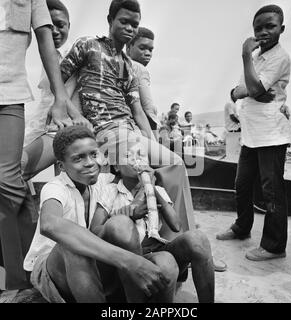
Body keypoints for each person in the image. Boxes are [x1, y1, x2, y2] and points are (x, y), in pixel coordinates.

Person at [60, 0, 196, 238]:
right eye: (124, 21)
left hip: (129, 131)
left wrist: (154, 141)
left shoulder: (129, 66)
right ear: (110, 20)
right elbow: (58, 83)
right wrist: (76, 116)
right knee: (146, 170)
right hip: (105, 129)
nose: (130, 28)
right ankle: (175, 238)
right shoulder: (87, 46)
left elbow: (138, 110)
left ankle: (180, 237)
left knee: (175, 163)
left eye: (135, 24)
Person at [23, 126, 179, 303]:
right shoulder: (55, 188)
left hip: (91, 262)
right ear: (62, 166)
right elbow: (49, 224)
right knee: (73, 245)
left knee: (158, 255)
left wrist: (146, 177)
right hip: (52, 269)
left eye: (93, 154)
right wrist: (129, 260)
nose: (90, 163)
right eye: (78, 158)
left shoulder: (104, 182)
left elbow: (141, 173)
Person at [0, 0, 88, 292]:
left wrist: (64, 106)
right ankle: (23, 266)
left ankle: (20, 277)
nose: (56, 31)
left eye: (61, 25)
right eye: (53, 26)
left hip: (44, 124)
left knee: (11, 179)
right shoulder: (43, 64)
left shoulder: (70, 62)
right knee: (17, 187)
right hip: (36, 130)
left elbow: (60, 106)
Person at [217, 5, 291, 261]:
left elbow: (250, 87)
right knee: (242, 184)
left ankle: (275, 246)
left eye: (270, 26)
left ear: (281, 29)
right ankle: (242, 228)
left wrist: (244, 57)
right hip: (251, 132)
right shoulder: (257, 59)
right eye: (258, 27)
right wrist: (245, 90)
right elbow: (241, 90)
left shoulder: (279, 57)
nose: (263, 32)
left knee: (271, 189)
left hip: (271, 133)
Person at [97, 139, 215, 303]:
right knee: (166, 263)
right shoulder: (110, 190)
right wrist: (128, 214)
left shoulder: (157, 190)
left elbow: (176, 225)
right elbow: (96, 229)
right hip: (125, 259)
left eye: (141, 155)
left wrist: (152, 188)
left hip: (155, 248)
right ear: (116, 167)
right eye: (128, 155)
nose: (136, 159)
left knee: (198, 239)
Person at [22, 0, 81, 182]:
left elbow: (70, 96)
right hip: (40, 124)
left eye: (60, 25)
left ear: (69, 25)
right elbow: (45, 100)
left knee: (17, 169)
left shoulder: (76, 53)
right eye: (49, 26)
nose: (55, 31)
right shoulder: (48, 53)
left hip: (60, 126)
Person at [127, 27, 159, 133]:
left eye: (150, 50)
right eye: (142, 48)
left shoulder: (118, 63)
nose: (148, 53)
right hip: (135, 130)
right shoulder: (139, 68)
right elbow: (148, 110)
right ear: (128, 48)